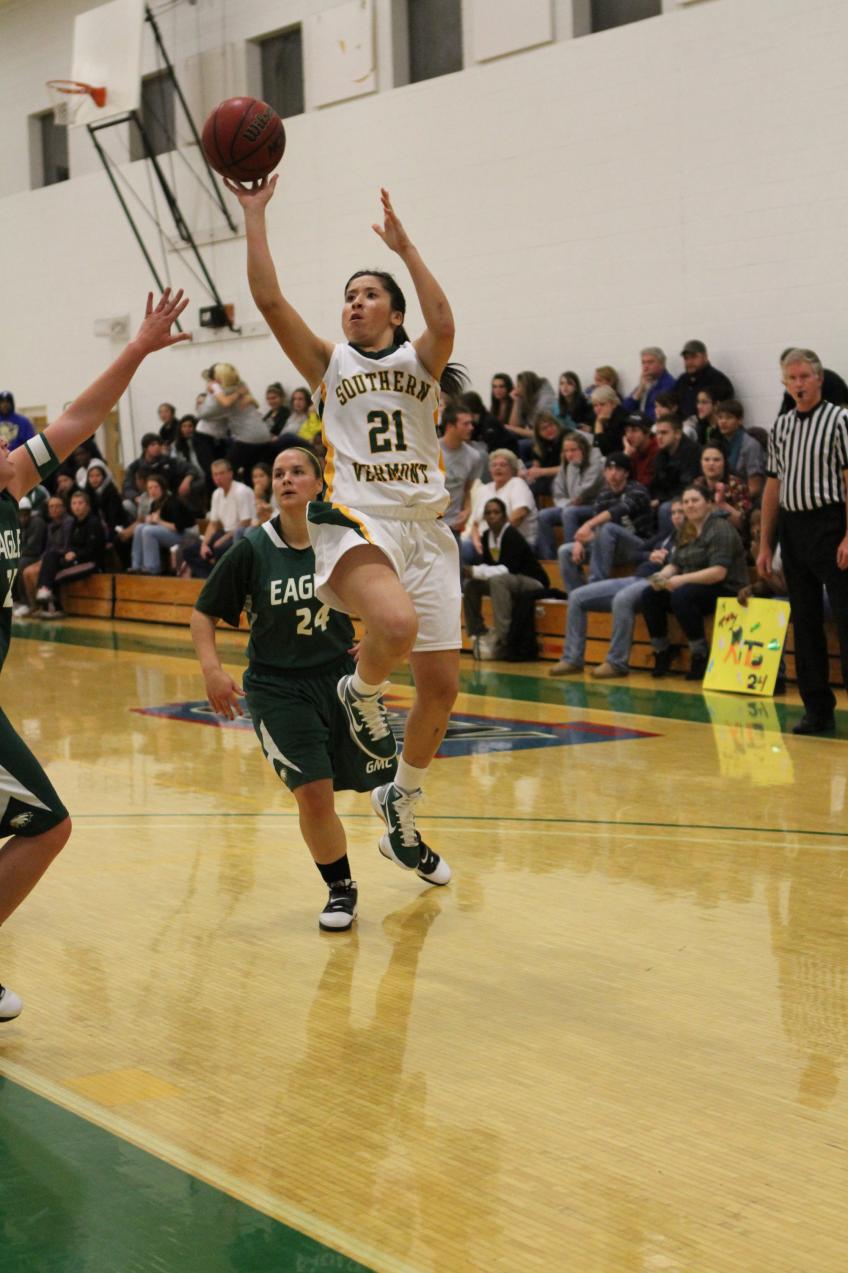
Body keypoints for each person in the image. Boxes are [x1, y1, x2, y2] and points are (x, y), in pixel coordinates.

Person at [229, 176, 466, 871]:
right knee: (392, 628)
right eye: (349, 296)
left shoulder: (421, 359)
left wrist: (405, 248)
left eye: (368, 294)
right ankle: (356, 690)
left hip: (427, 528)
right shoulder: (328, 363)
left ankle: (401, 800)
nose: (354, 303)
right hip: (360, 519)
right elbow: (270, 301)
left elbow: (446, 320)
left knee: (442, 687)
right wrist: (254, 217)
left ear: (393, 311)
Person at [0, 287, 188, 1020]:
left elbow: (78, 419)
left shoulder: (14, 479)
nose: (6, 441)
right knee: (47, 821)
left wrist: (138, 347)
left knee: (37, 825)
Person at [190, 447, 451, 932]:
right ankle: (340, 889)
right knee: (314, 795)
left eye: (298, 472)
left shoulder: (350, 541)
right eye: (278, 474)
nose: (286, 480)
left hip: (342, 681)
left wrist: (376, 638)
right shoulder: (252, 548)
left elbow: (395, 595)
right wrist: (212, 670)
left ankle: (407, 841)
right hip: (278, 687)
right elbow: (203, 613)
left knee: (388, 782)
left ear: (320, 483)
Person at [758, 348, 848, 734]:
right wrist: (765, 544)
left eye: (804, 377)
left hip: (831, 523)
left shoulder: (841, 420)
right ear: (785, 382)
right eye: (791, 378)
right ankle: (817, 709)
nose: (798, 384)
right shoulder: (780, 427)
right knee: (805, 620)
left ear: (818, 379)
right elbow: (772, 488)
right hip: (793, 529)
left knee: (846, 620)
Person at [549, 499, 686, 679]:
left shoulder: (691, 539)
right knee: (576, 597)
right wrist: (650, 555)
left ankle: (616, 662)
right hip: (636, 577)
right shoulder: (667, 535)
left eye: (681, 512)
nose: (676, 517)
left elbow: (682, 567)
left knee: (622, 598)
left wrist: (666, 562)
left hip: (657, 582)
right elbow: (635, 553)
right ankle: (572, 658)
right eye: (673, 512)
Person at [642, 484, 749, 681]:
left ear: (708, 503)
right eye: (686, 501)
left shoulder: (720, 528)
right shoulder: (686, 529)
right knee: (649, 594)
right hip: (693, 587)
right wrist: (660, 578)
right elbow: (675, 565)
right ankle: (662, 651)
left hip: (727, 588)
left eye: (695, 500)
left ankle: (700, 655)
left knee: (683, 595)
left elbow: (719, 572)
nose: (690, 505)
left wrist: (680, 580)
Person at [462, 497, 549, 660]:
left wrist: (475, 570)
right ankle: (477, 632)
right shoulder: (487, 535)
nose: (492, 516)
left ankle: (504, 638)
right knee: (471, 585)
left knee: (497, 580)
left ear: (504, 516)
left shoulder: (512, 535)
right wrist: (472, 572)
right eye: (488, 513)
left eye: (496, 512)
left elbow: (507, 569)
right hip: (508, 581)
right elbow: (489, 567)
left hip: (532, 581)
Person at [557, 452, 654, 594]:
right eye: (609, 469)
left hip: (638, 545)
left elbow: (617, 511)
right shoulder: (603, 495)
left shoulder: (638, 490)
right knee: (565, 551)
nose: (613, 473)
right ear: (604, 472)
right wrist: (580, 542)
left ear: (626, 473)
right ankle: (577, 596)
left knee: (608, 528)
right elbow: (596, 532)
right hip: (610, 548)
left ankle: (594, 586)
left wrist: (588, 524)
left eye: (618, 469)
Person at [198, 362, 276, 479]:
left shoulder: (226, 393)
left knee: (226, 472)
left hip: (247, 438)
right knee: (252, 473)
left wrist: (211, 393)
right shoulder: (242, 385)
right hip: (264, 436)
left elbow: (204, 413)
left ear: (220, 376)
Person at [34, 488, 105, 615]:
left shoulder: (93, 523)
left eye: (80, 503)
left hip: (91, 562)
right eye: (74, 503)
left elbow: (93, 550)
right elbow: (71, 545)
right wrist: (68, 553)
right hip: (74, 559)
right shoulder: (75, 522)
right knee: (50, 556)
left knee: (57, 574)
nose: (76, 506)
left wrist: (76, 554)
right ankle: (43, 590)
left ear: (87, 505)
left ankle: (55, 607)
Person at [535, 430, 605, 559]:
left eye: (573, 450)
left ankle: (569, 555)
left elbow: (582, 491)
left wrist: (575, 467)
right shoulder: (567, 464)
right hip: (572, 505)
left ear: (584, 449)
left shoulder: (597, 462)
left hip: (596, 506)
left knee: (569, 513)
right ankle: (549, 560)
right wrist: (567, 503)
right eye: (566, 451)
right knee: (543, 515)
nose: (569, 454)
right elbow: (558, 492)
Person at [181, 458, 254, 578]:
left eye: (221, 473)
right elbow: (213, 524)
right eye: (215, 474)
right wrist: (204, 544)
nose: (218, 478)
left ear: (230, 474)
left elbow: (245, 522)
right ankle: (211, 578)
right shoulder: (216, 494)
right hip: (223, 533)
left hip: (240, 535)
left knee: (220, 549)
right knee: (190, 551)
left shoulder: (241, 491)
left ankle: (217, 579)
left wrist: (223, 539)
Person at [466, 449, 538, 560]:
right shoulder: (483, 489)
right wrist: (476, 541)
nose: (497, 468)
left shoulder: (517, 484)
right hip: (483, 543)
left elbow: (520, 514)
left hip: (514, 542)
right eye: (494, 465)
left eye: (503, 465)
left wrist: (494, 538)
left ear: (513, 469)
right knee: (463, 547)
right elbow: (475, 524)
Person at [129, 473, 196, 575]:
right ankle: (136, 566)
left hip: (188, 535)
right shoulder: (154, 503)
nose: (153, 491)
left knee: (148, 531)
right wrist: (150, 520)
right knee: (139, 527)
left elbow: (178, 527)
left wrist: (158, 521)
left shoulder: (172, 502)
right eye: (150, 488)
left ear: (163, 487)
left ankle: (151, 568)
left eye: (156, 487)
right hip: (171, 533)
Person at [650, 415, 702, 533]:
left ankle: (668, 545)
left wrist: (659, 500)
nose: (659, 437)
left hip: (688, 498)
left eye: (664, 433)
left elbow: (686, 487)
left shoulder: (692, 453)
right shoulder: (661, 455)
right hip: (667, 497)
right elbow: (656, 483)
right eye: (657, 433)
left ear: (677, 434)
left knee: (665, 509)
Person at [439, 405, 484, 538]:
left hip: (454, 524)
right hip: (430, 522)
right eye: (465, 424)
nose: (471, 427)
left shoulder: (474, 456)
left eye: (471, 423)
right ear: (450, 426)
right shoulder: (432, 450)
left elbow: (467, 489)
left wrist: (468, 510)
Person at [693, 442, 751, 535]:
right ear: (701, 462)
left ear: (724, 462)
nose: (711, 463)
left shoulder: (736, 484)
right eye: (706, 460)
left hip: (730, 536)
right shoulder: (697, 484)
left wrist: (722, 504)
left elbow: (744, 524)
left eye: (716, 460)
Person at [712, 399, 765, 499]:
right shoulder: (718, 443)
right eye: (720, 418)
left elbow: (755, 488)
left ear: (740, 420)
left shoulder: (750, 445)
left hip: (746, 499)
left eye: (728, 418)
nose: (723, 421)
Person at [674, 340, 734, 421]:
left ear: (705, 357)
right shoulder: (682, 380)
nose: (689, 362)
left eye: (694, 357)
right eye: (686, 358)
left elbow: (725, 413)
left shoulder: (718, 380)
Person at [506, 371, 556, 457]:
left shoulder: (545, 403)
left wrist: (514, 429)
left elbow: (541, 433)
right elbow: (513, 424)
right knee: (508, 437)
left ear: (527, 387)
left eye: (519, 386)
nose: (516, 390)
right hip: (532, 433)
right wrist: (516, 401)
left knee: (520, 445)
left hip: (545, 439)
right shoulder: (526, 397)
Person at [10, 497, 46, 617]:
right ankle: (14, 600)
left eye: (24, 513)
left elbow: (33, 548)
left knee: (20, 565)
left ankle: (26, 603)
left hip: (37, 557)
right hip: (25, 556)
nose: (22, 516)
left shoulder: (37, 523)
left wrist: (16, 554)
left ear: (29, 512)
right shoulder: (18, 524)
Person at [622, 347, 676, 421]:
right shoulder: (644, 382)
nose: (645, 367)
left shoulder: (668, 384)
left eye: (650, 362)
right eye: (643, 363)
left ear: (662, 364)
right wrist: (639, 391)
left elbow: (656, 415)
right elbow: (624, 410)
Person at [524, 412, 566, 499]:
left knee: (534, 488)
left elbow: (566, 468)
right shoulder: (538, 446)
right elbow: (536, 469)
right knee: (523, 484)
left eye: (551, 425)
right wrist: (528, 474)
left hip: (566, 477)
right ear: (538, 433)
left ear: (557, 425)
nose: (549, 430)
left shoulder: (567, 438)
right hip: (548, 477)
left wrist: (541, 471)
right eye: (544, 428)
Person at [621, 412, 659, 488]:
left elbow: (645, 485)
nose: (629, 435)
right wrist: (625, 456)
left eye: (634, 430)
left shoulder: (657, 452)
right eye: (627, 430)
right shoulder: (632, 451)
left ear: (647, 433)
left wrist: (626, 458)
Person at [590, 385, 630, 455]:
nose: (598, 409)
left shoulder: (621, 420)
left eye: (602, 404)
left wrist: (598, 424)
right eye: (595, 405)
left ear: (613, 404)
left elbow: (603, 450)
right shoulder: (601, 417)